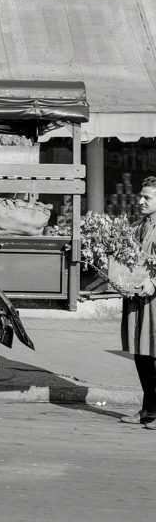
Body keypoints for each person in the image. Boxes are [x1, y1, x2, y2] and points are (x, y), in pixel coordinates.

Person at [121, 175, 156, 429]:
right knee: (141, 354)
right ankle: (148, 410)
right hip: (137, 298)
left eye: (147, 197)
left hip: (154, 298)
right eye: (141, 195)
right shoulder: (137, 226)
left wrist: (154, 283)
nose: (140, 200)